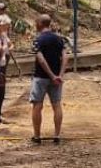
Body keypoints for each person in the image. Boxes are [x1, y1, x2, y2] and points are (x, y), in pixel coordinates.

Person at [30, 14, 67, 145]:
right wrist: (59, 75)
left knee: (37, 105)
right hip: (57, 78)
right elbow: (65, 56)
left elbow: (40, 59)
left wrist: (51, 75)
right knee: (56, 105)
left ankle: (37, 136)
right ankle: (57, 135)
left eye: (36, 22)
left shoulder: (37, 40)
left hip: (40, 77)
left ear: (40, 23)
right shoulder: (59, 39)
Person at [0, 7, 14, 125]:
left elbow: (11, 45)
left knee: (1, 91)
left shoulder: (4, 35)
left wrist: (8, 50)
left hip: (3, 64)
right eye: (6, 24)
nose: (7, 26)